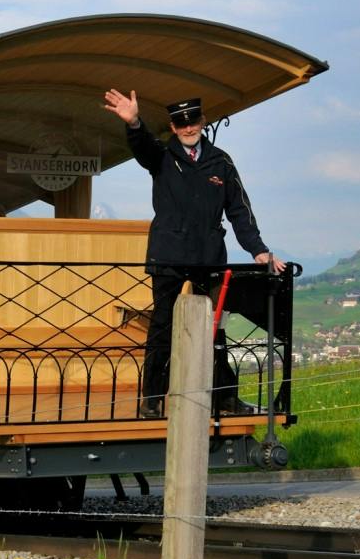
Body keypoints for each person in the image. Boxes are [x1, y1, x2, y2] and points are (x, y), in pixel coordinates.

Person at [102, 89, 286, 414]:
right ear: (173, 128)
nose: (188, 128)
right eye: (181, 124)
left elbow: (239, 211)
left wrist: (259, 251)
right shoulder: (161, 157)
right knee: (162, 327)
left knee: (217, 328)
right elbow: (142, 147)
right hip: (168, 256)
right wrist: (133, 122)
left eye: (193, 122)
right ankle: (154, 399)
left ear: (202, 122)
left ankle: (225, 397)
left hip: (208, 257)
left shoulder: (221, 162)